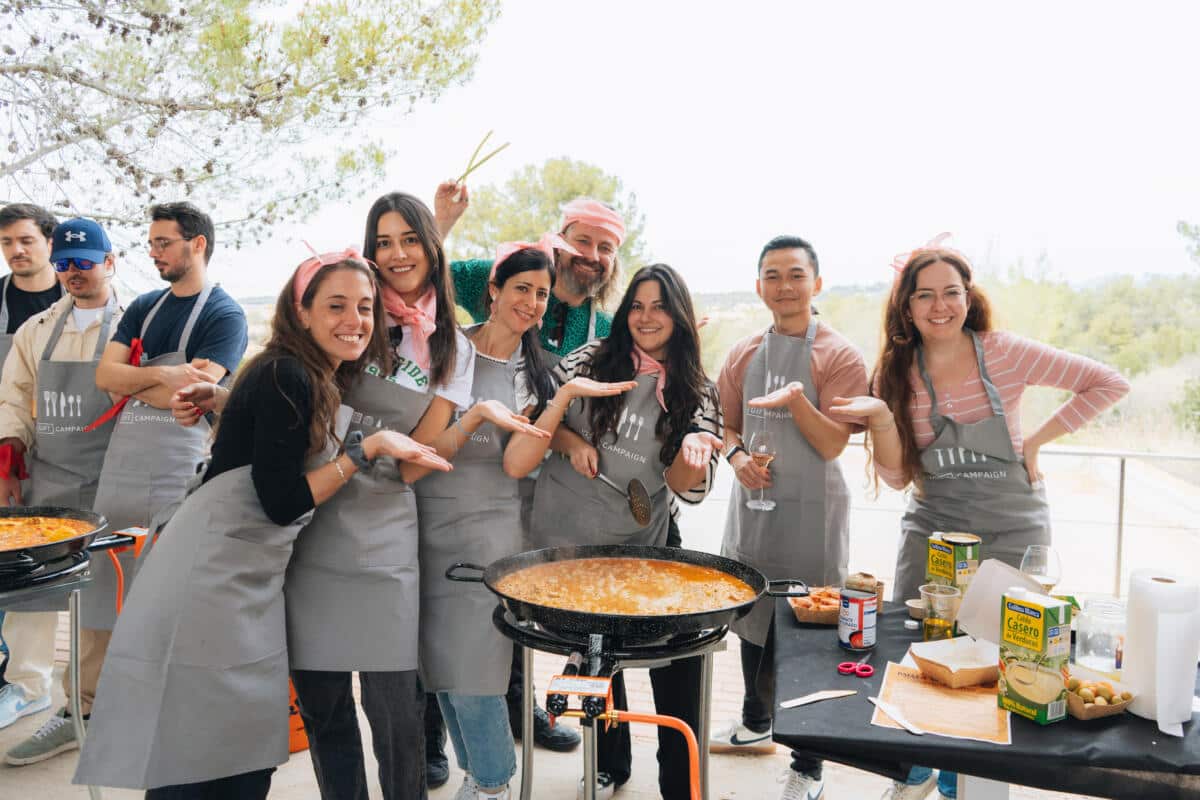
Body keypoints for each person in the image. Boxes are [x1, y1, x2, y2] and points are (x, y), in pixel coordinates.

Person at [73, 250, 453, 798]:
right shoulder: (288, 374)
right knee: (211, 755)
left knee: (224, 746)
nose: (355, 321)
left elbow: (270, 440)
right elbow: (282, 501)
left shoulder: (298, 372)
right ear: (302, 312)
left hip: (239, 571)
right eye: (337, 306)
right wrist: (365, 450)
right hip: (214, 575)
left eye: (366, 308)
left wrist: (227, 401)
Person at [830, 237, 1130, 800]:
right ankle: (915, 769)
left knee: (1006, 658)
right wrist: (881, 421)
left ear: (969, 297)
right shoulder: (895, 371)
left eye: (952, 292)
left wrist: (1036, 441)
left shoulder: (1005, 351)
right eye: (925, 295)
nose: (939, 306)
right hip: (935, 527)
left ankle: (965, 782)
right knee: (921, 651)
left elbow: (1109, 382)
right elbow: (896, 478)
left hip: (1013, 525)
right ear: (906, 306)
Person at [283, 192, 546, 800]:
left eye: (410, 239)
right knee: (325, 701)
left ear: (432, 248)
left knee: (397, 704)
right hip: (313, 511)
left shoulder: (449, 343)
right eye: (383, 241)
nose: (396, 254)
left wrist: (376, 450)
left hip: (384, 521)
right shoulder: (358, 311)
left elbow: (423, 457)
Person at [417, 240, 636, 800]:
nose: (534, 303)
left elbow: (517, 463)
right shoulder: (450, 351)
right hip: (424, 522)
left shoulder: (532, 373)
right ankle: (476, 774)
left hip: (489, 529)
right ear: (492, 291)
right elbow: (423, 449)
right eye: (523, 289)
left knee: (475, 663)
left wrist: (560, 397)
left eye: (542, 294)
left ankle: (492, 782)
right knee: (438, 662)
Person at [529, 264, 723, 800]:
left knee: (679, 663)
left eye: (660, 306)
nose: (646, 316)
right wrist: (569, 442)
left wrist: (692, 453)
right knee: (599, 658)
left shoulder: (698, 391)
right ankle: (611, 763)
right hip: (573, 541)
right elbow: (537, 406)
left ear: (679, 315)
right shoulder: (591, 358)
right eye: (637, 305)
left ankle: (680, 786)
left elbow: (688, 488)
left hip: (646, 547)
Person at [709, 236, 868, 800]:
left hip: (814, 514)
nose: (784, 286)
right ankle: (755, 720)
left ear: (816, 283)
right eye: (772, 276)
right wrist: (735, 458)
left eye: (795, 275)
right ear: (759, 287)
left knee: (807, 636)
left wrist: (799, 400)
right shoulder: (743, 352)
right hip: (753, 510)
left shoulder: (841, 356)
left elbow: (833, 445)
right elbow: (724, 423)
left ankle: (808, 767)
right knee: (753, 618)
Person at [0, 219, 121, 757]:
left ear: (110, 263)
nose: (74, 273)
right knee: (32, 592)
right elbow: (15, 395)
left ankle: (82, 710)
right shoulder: (38, 329)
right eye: (67, 264)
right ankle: (27, 690)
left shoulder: (135, 324)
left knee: (97, 603)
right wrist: (10, 449)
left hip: (112, 478)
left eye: (85, 262)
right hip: (49, 476)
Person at [0, 202, 63, 695]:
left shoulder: (78, 303)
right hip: (5, 443)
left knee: (33, 566)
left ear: (49, 242)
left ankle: (29, 681)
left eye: (25, 240)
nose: (16, 251)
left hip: (59, 450)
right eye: (6, 243)